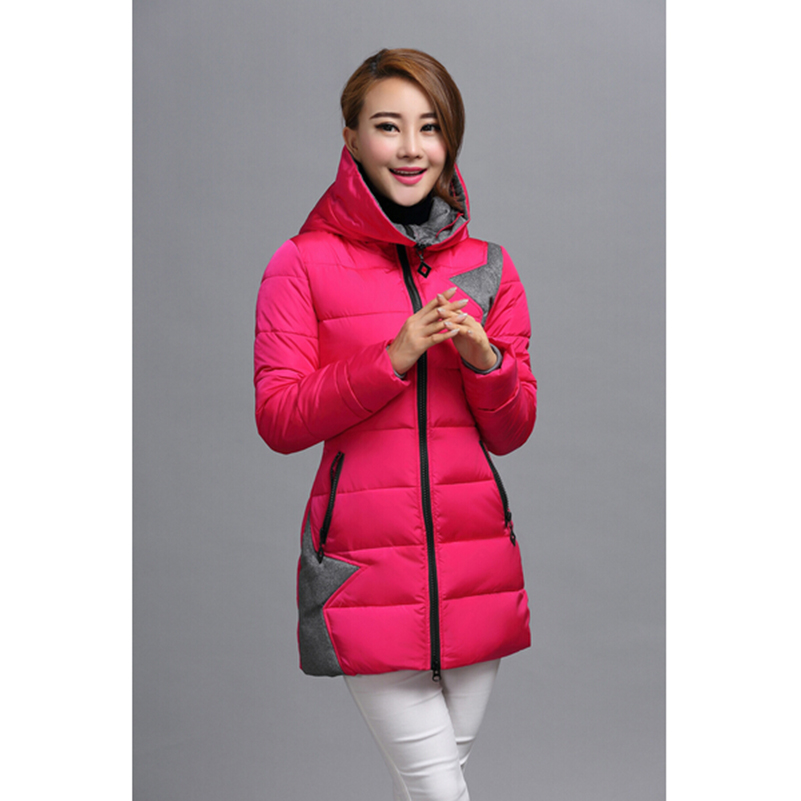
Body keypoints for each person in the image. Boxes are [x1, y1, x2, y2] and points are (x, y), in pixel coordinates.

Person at [254, 48, 537, 801]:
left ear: (449, 139)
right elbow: (279, 418)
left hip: (477, 566)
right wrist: (393, 356)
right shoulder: (300, 264)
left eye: (430, 127)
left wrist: (485, 361)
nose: (411, 148)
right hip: (362, 572)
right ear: (350, 137)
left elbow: (512, 431)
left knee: (431, 788)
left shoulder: (490, 266)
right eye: (388, 126)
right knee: (438, 792)